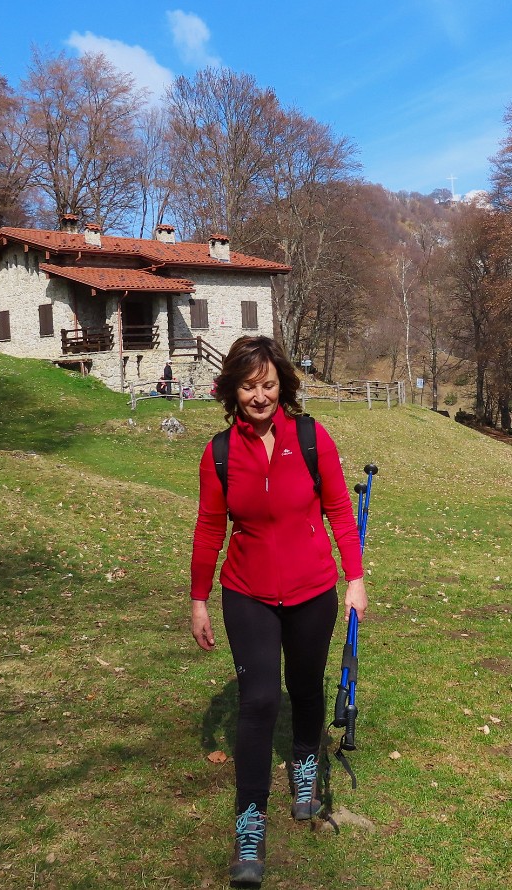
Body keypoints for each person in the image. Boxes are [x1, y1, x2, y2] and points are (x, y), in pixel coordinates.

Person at [189, 336, 367, 888]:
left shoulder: (312, 439)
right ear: (232, 391)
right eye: (248, 386)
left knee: (308, 687)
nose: (260, 396)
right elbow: (210, 527)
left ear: (282, 385)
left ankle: (306, 762)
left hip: (314, 589)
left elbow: (339, 508)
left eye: (268, 384)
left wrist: (355, 579)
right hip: (248, 593)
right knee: (259, 700)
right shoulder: (220, 453)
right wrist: (198, 598)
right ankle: (250, 822)